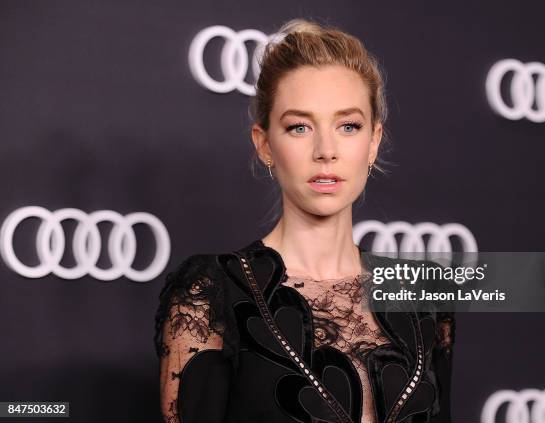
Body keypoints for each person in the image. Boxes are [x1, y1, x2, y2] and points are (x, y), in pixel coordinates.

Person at [154, 18, 455, 423]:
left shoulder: (424, 294)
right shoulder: (211, 293)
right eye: (299, 127)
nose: (326, 150)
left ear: (374, 141)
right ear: (264, 144)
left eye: (348, 126)